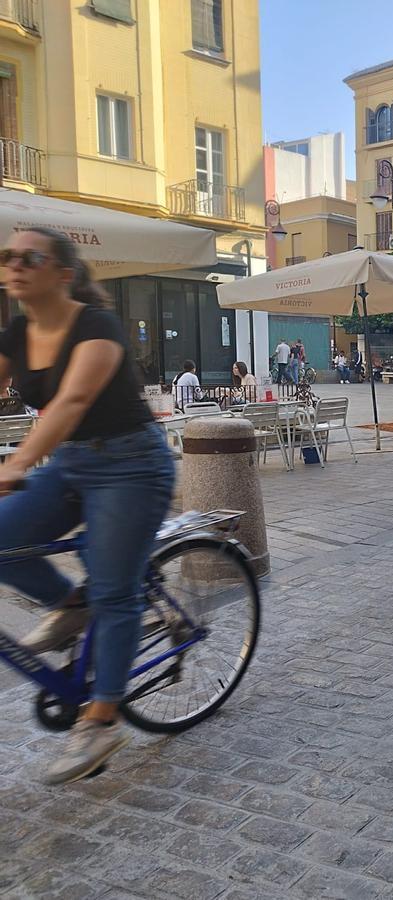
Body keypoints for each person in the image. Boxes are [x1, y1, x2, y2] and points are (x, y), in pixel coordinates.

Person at [0, 227, 176, 784]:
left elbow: (73, 401)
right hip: (72, 463)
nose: (15, 264)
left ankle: (101, 722)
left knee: (114, 591)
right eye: (7, 256)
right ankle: (72, 605)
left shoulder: (98, 325)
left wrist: (15, 464)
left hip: (132, 466)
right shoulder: (17, 333)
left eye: (30, 257)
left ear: (63, 273)